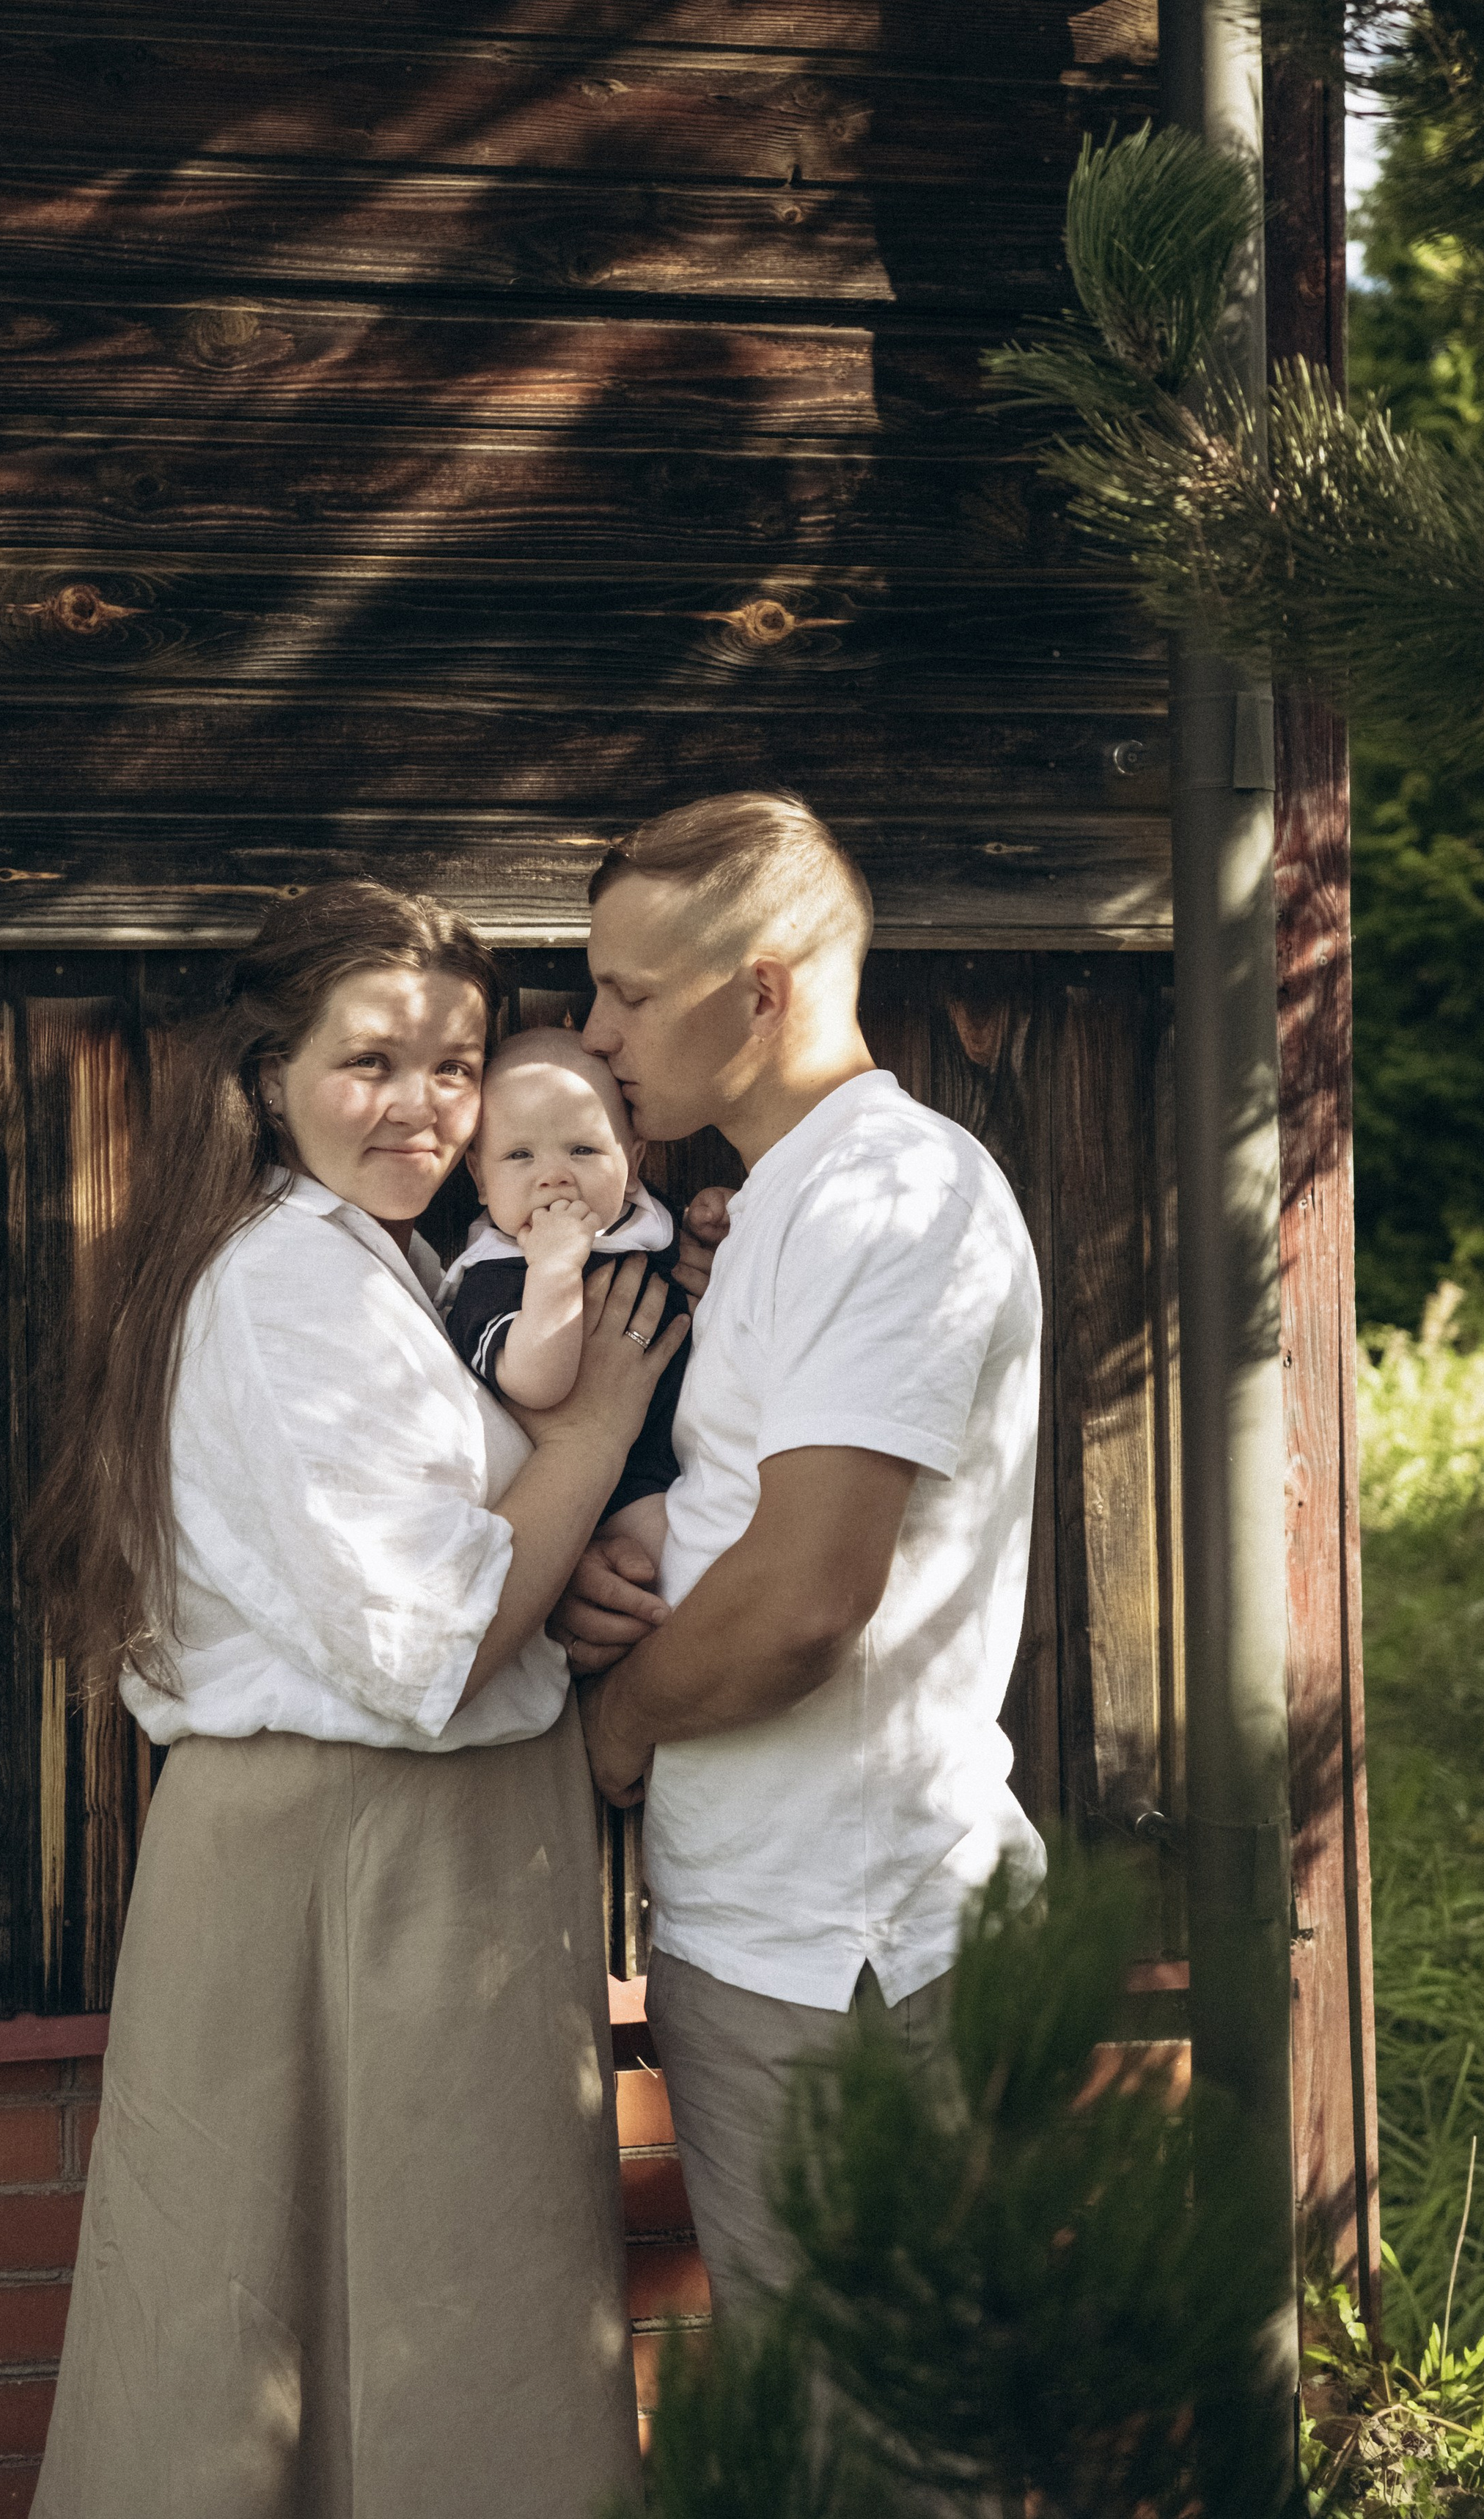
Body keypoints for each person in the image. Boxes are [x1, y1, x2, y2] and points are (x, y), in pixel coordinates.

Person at [27, 879, 683, 2519]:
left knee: (393, 2336)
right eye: (370, 1062)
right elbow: (435, 1643)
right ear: (267, 1075)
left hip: (413, 1848)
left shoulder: (398, 1264)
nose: (421, 1106)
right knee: (301, 2354)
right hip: (351, 1855)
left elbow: (479, 1571)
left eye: (455, 1067)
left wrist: (577, 1573)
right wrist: (594, 1442)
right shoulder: (291, 1286)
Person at [551, 791, 1045, 2322]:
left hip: (853, 1951)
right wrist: (639, 1542)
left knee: (874, 2450)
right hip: (784, 1933)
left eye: (627, 991)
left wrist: (614, 1732)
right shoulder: (780, 1200)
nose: (595, 1028)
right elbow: (761, 1511)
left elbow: (809, 1592)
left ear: (757, 988)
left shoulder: (892, 1194)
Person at [439, 1027, 691, 1547]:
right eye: (519, 1156)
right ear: (479, 1177)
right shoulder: (494, 1278)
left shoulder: (641, 1217)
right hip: (620, 1483)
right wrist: (552, 1271)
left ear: (634, 1163)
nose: (553, 1175)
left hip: (703, 1441)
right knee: (679, 1551)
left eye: (583, 1149)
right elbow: (538, 1384)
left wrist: (710, 1222)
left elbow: (690, 1256)